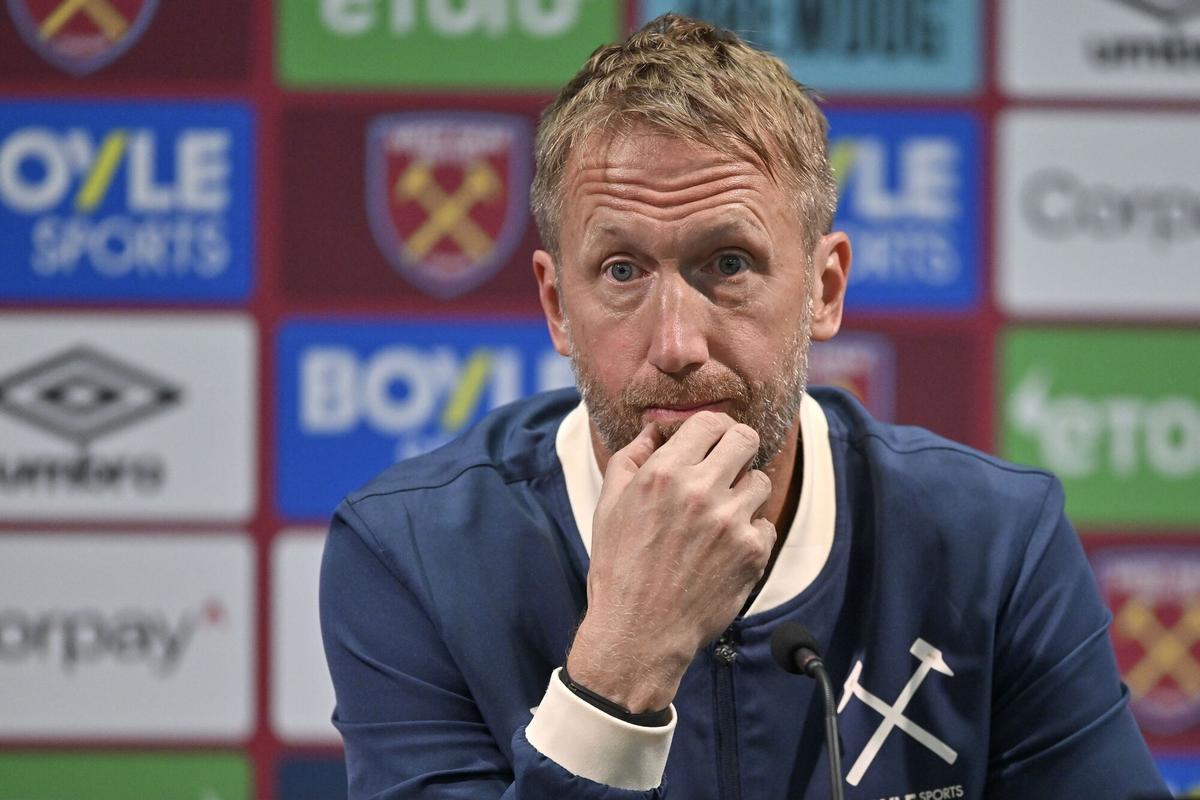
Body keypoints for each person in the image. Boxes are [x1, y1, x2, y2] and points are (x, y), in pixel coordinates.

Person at [319, 14, 1168, 800]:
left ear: (824, 290)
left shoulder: (993, 542)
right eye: (621, 271)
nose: (678, 342)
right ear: (555, 308)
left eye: (728, 263)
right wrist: (618, 670)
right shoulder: (413, 556)